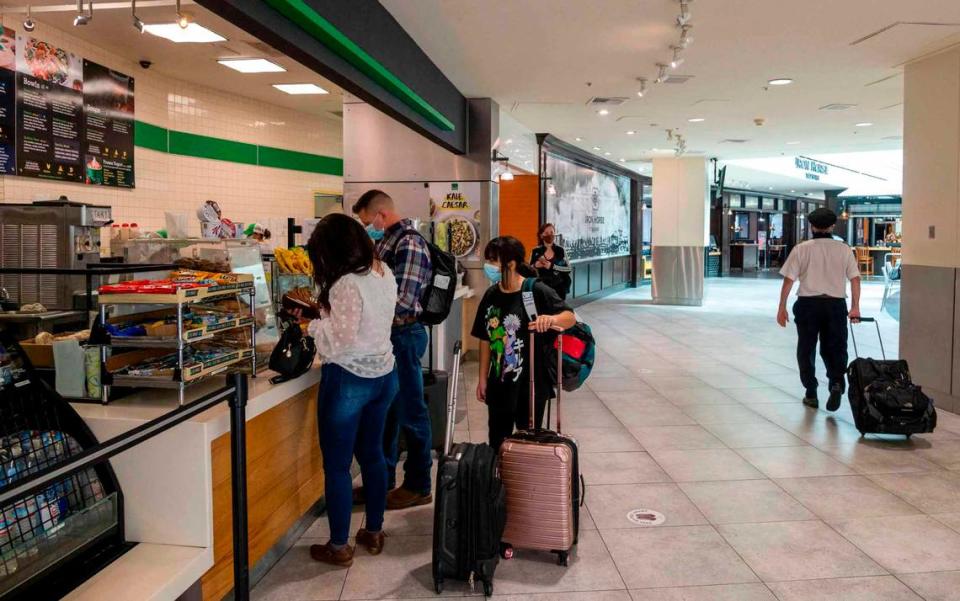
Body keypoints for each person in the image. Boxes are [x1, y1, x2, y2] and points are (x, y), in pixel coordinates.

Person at [301, 213, 398, 567]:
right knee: (373, 455)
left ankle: (339, 546)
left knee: (339, 466)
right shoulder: (383, 272)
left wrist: (311, 326)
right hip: (384, 376)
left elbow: (338, 342)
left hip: (349, 380)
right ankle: (374, 530)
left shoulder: (345, 283)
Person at [352, 189, 434, 510]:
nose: (366, 227)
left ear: (381, 214)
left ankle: (418, 484)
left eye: (366, 221)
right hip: (385, 337)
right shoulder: (383, 241)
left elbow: (403, 301)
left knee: (411, 411)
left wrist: (365, 313)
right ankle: (381, 481)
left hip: (403, 335)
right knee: (386, 413)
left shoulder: (409, 243)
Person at [472, 236, 577, 450]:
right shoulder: (491, 294)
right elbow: (485, 338)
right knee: (497, 442)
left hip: (531, 385)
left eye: (493, 261)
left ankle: (525, 482)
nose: (488, 266)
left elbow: (570, 317)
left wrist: (551, 319)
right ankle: (500, 481)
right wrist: (483, 378)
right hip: (499, 383)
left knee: (527, 444)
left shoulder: (535, 290)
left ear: (510, 263)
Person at [777, 207, 862, 412]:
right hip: (835, 304)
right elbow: (855, 279)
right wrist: (855, 307)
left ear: (812, 226)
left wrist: (782, 307)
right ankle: (836, 382)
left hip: (808, 304)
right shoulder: (843, 249)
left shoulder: (802, 249)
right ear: (833, 226)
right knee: (835, 346)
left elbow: (789, 280)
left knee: (806, 348)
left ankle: (811, 391)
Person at [530, 223, 571, 300]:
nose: (550, 235)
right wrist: (535, 265)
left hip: (559, 288)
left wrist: (552, 266)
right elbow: (529, 270)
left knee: (559, 311)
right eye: (546, 233)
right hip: (541, 288)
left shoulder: (561, 250)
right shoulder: (536, 251)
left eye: (552, 232)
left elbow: (568, 269)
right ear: (541, 235)